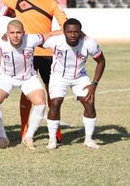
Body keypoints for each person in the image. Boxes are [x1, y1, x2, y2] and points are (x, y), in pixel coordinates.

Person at [2, 0, 67, 141]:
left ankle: (56, 131)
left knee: (52, 93)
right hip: (26, 55)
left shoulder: (51, 3)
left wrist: (47, 36)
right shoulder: (18, 0)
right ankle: (24, 129)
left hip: (47, 54)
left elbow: (66, 26)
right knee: (27, 93)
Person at [0, 20, 58, 152]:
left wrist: (66, 30)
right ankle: (3, 137)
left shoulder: (31, 39)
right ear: (7, 34)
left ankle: (28, 137)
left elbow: (49, 34)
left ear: (23, 33)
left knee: (41, 103)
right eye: (12, 33)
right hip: (6, 77)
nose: (15, 36)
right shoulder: (0, 43)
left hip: (28, 77)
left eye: (18, 32)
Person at [42, 18, 106, 150]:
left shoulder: (89, 43)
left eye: (76, 32)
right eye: (69, 31)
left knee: (89, 102)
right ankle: (52, 139)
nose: (72, 34)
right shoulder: (55, 41)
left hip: (79, 77)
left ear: (80, 32)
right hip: (58, 76)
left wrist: (94, 84)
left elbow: (101, 62)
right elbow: (35, 40)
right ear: (64, 32)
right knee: (55, 103)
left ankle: (88, 139)